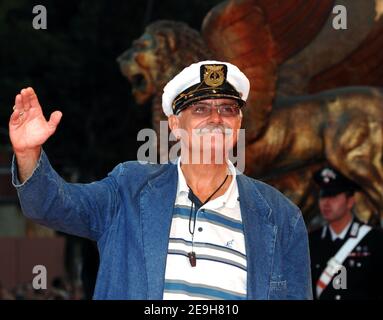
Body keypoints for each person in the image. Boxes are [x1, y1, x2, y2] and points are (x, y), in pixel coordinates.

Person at [9, 60, 312, 300]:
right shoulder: (130, 188)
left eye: (228, 109)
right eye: (201, 109)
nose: (216, 118)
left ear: (239, 123)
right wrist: (28, 153)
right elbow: (51, 206)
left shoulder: (281, 216)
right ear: (176, 125)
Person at [309, 166, 383, 300]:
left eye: (333, 196)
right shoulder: (311, 241)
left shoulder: (374, 240)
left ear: (350, 201)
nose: (326, 203)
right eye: (323, 196)